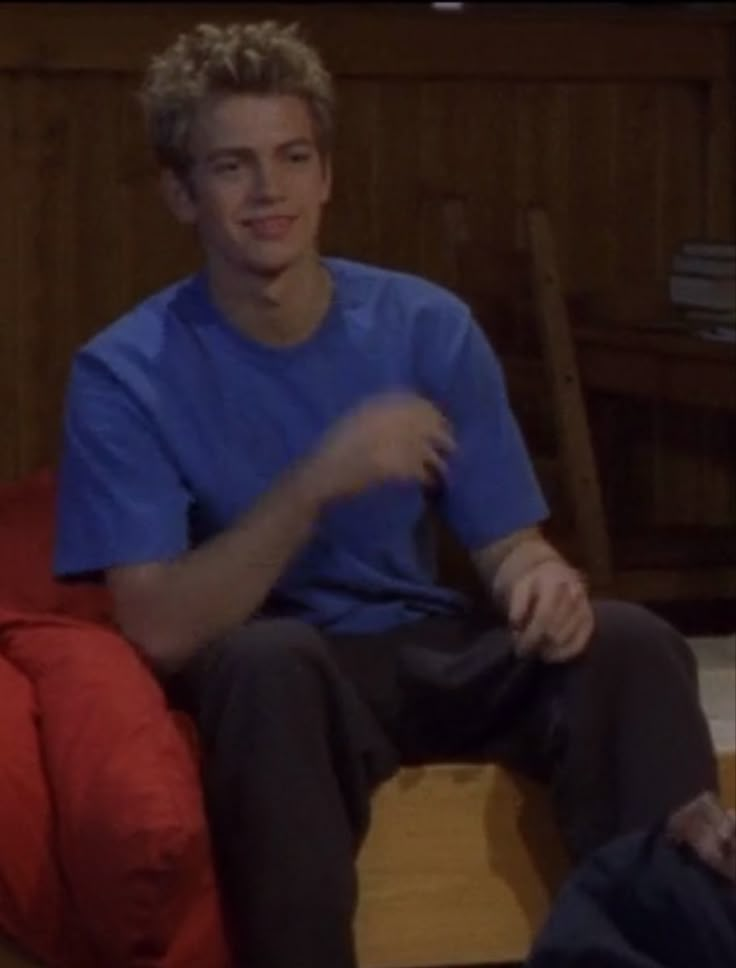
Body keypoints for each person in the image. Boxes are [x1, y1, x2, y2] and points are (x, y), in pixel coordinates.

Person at [53, 20, 718, 968]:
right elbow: (159, 626)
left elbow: (508, 543)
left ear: (326, 175)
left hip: (424, 645)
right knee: (270, 663)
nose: (268, 191)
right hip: (279, 673)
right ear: (180, 192)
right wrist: (321, 478)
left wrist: (542, 578)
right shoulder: (125, 371)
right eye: (233, 167)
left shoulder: (423, 324)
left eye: (292, 158)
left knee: (632, 644)